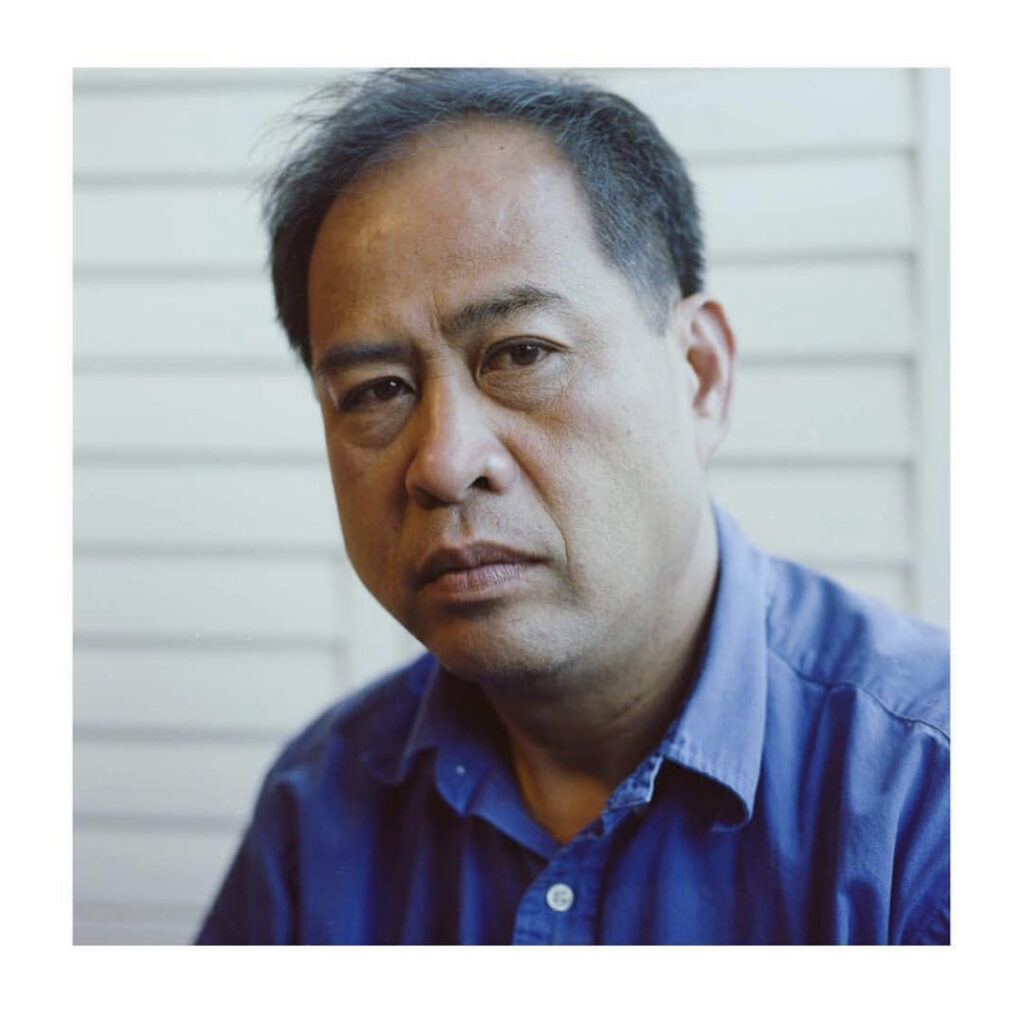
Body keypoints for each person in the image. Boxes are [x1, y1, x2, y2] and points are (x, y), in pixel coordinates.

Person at [195, 69, 949, 945]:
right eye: (375, 391)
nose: (441, 463)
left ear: (699, 373)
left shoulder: (933, 796)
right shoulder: (321, 804)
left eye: (520, 353)